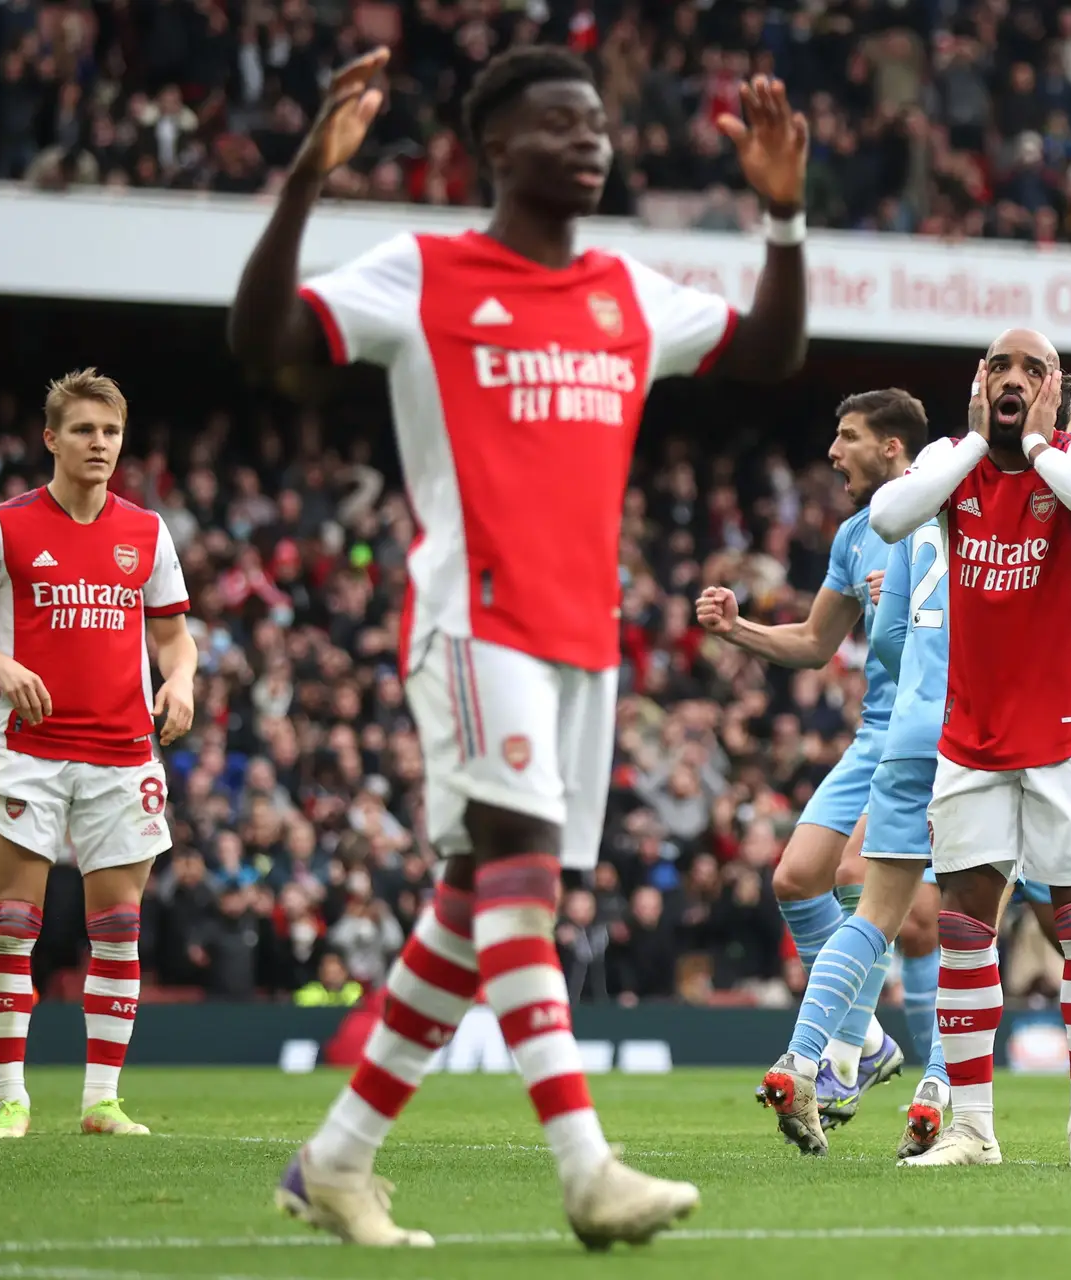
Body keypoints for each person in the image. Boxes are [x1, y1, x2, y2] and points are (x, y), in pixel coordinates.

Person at [228, 44, 808, 1249]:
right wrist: (304, 180)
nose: (591, 140)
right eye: (561, 123)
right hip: (470, 613)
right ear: (498, 148)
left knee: (468, 899)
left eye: (598, 122)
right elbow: (263, 335)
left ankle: (334, 1162)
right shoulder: (427, 271)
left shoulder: (626, 290)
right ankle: (585, 1166)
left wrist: (786, 218)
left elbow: (769, 354)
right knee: (524, 878)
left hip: (581, 633)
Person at [869, 329, 1071, 1171]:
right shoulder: (954, 461)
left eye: (1031, 369)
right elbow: (886, 516)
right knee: (962, 932)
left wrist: (1038, 442)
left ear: (1055, 386)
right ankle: (973, 1130)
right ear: (979, 382)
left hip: (1068, 737)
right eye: (999, 368)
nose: (1013, 379)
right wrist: (983, 440)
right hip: (972, 739)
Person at [0, 368, 198, 1140]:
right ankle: (11, 1099)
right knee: (12, 924)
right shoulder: (2, 526)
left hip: (124, 753)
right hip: (32, 753)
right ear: (51, 439)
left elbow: (175, 636)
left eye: (110, 431)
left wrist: (181, 682)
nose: (99, 444)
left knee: (118, 928)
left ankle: (101, 1101)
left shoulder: (146, 531)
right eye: (83, 430)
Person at [696, 389, 925, 1124]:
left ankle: (841, 1055)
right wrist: (739, 632)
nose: (832, 452)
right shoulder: (857, 534)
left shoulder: (948, 515)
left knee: (861, 876)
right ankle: (871, 1041)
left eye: (848, 436)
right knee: (796, 879)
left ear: (891, 447)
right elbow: (816, 643)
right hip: (875, 732)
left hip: (938, 734)